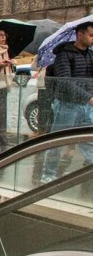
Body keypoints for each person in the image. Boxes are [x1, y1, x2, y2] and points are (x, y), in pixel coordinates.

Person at [40, 20, 93, 183]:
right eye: (91, 35)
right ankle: (48, 174)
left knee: (89, 140)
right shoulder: (64, 55)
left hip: (86, 106)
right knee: (58, 140)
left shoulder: (90, 55)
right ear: (80, 34)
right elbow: (65, 81)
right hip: (67, 105)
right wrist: (88, 97)